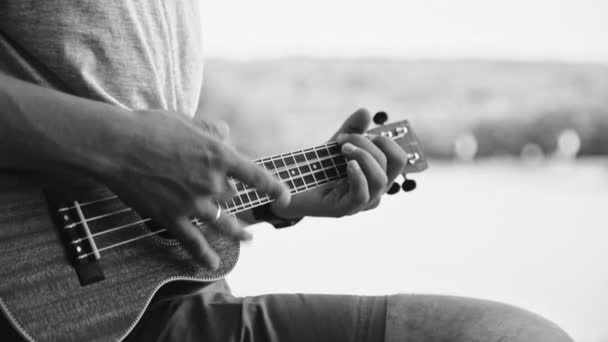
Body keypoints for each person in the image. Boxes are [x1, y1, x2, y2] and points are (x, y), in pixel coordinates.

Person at [0, 2, 572, 341]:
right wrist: (120, 149)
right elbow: (132, 153)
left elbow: (149, 179)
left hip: (147, 300)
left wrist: (275, 196)